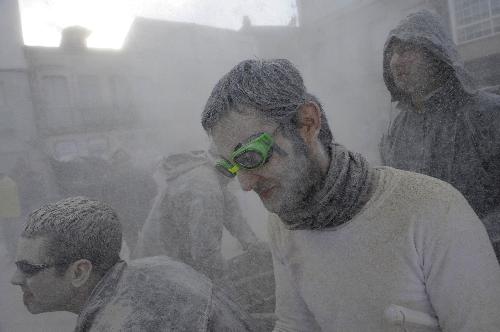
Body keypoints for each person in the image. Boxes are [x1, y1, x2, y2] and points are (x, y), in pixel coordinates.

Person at [201, 58, 500, 331]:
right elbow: (295, 325)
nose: (244, 184)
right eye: (229, 167)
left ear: (307, 123)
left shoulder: (431, 209)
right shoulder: (284, 224)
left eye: (251, 156)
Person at [10, 196, 257, 331]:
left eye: (28, 268)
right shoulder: (156, 266)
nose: (15, 279)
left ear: (79, 271)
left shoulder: (126, 323)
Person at [379, 10, 500, 258]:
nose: (396, 61)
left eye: (406, 50)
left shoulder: (485, 114)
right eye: (392, 52)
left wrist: (470, 238)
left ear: (435, 54)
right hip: (430, 270)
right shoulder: (398, 130)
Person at [134, 150, 261, 281]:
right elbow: (205, 251)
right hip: (158, 269)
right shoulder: (205, 188)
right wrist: (224, 279)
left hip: (170, 260)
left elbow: (232, 213)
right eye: (237, 170)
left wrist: (252, 243)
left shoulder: (210, 175)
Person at [0, 172, 21, 259]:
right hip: (15, 212)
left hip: (6, 214)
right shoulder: (12, 182)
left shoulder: (1, 185)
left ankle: (12, 253)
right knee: (14, 234)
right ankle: (16, 251)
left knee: (8, 235)